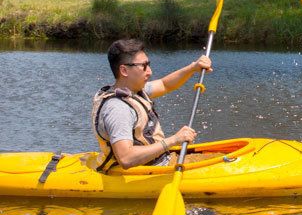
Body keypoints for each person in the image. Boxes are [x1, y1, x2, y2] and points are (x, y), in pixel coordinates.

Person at [91, 38, 212, 171]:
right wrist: (174, 140)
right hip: (145, 171)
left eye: (148, 64)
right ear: (124, 70)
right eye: (144, 66)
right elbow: (126, 158)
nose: (150, 71)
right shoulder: (118, 109)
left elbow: (165, 84)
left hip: (159, 162)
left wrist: (193, 67)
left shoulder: (134, 90)